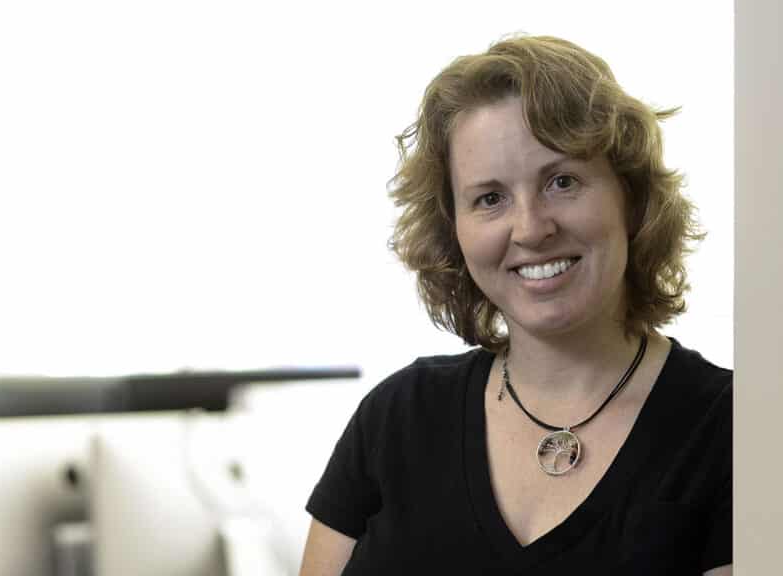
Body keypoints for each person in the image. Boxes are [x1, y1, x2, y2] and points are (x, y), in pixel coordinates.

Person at [299, 35, 732, 576]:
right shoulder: (398, 417)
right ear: (452, 229)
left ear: (632, 197)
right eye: (490, 198)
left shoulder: (732, 430)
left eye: (562, 181)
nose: (530, 228)